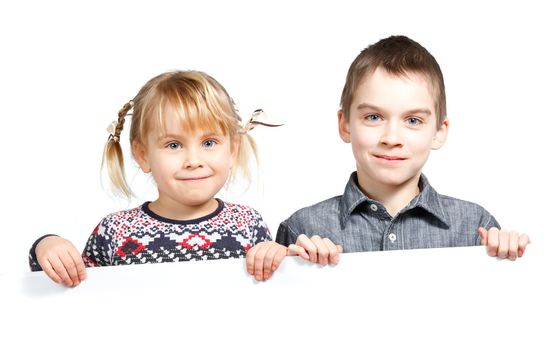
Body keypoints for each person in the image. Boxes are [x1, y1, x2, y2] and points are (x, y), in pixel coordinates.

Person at [275, 35, 530, 265]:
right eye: (374, 117)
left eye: (413, 121)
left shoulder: (475, 227)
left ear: (439, 132)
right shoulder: (302, 230)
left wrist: (509, 259)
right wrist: (295, 267)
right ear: (345, 125)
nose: (392, 138)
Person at [28, 70, 292, 286]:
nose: (194, 160)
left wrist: (280, 256)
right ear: (143, 155)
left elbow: (273, 293)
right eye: (174, 145)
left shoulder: (248, 224)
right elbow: (70, 286)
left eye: (209, 142)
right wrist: (47, 245)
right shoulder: (116, 232)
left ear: (232, 150)